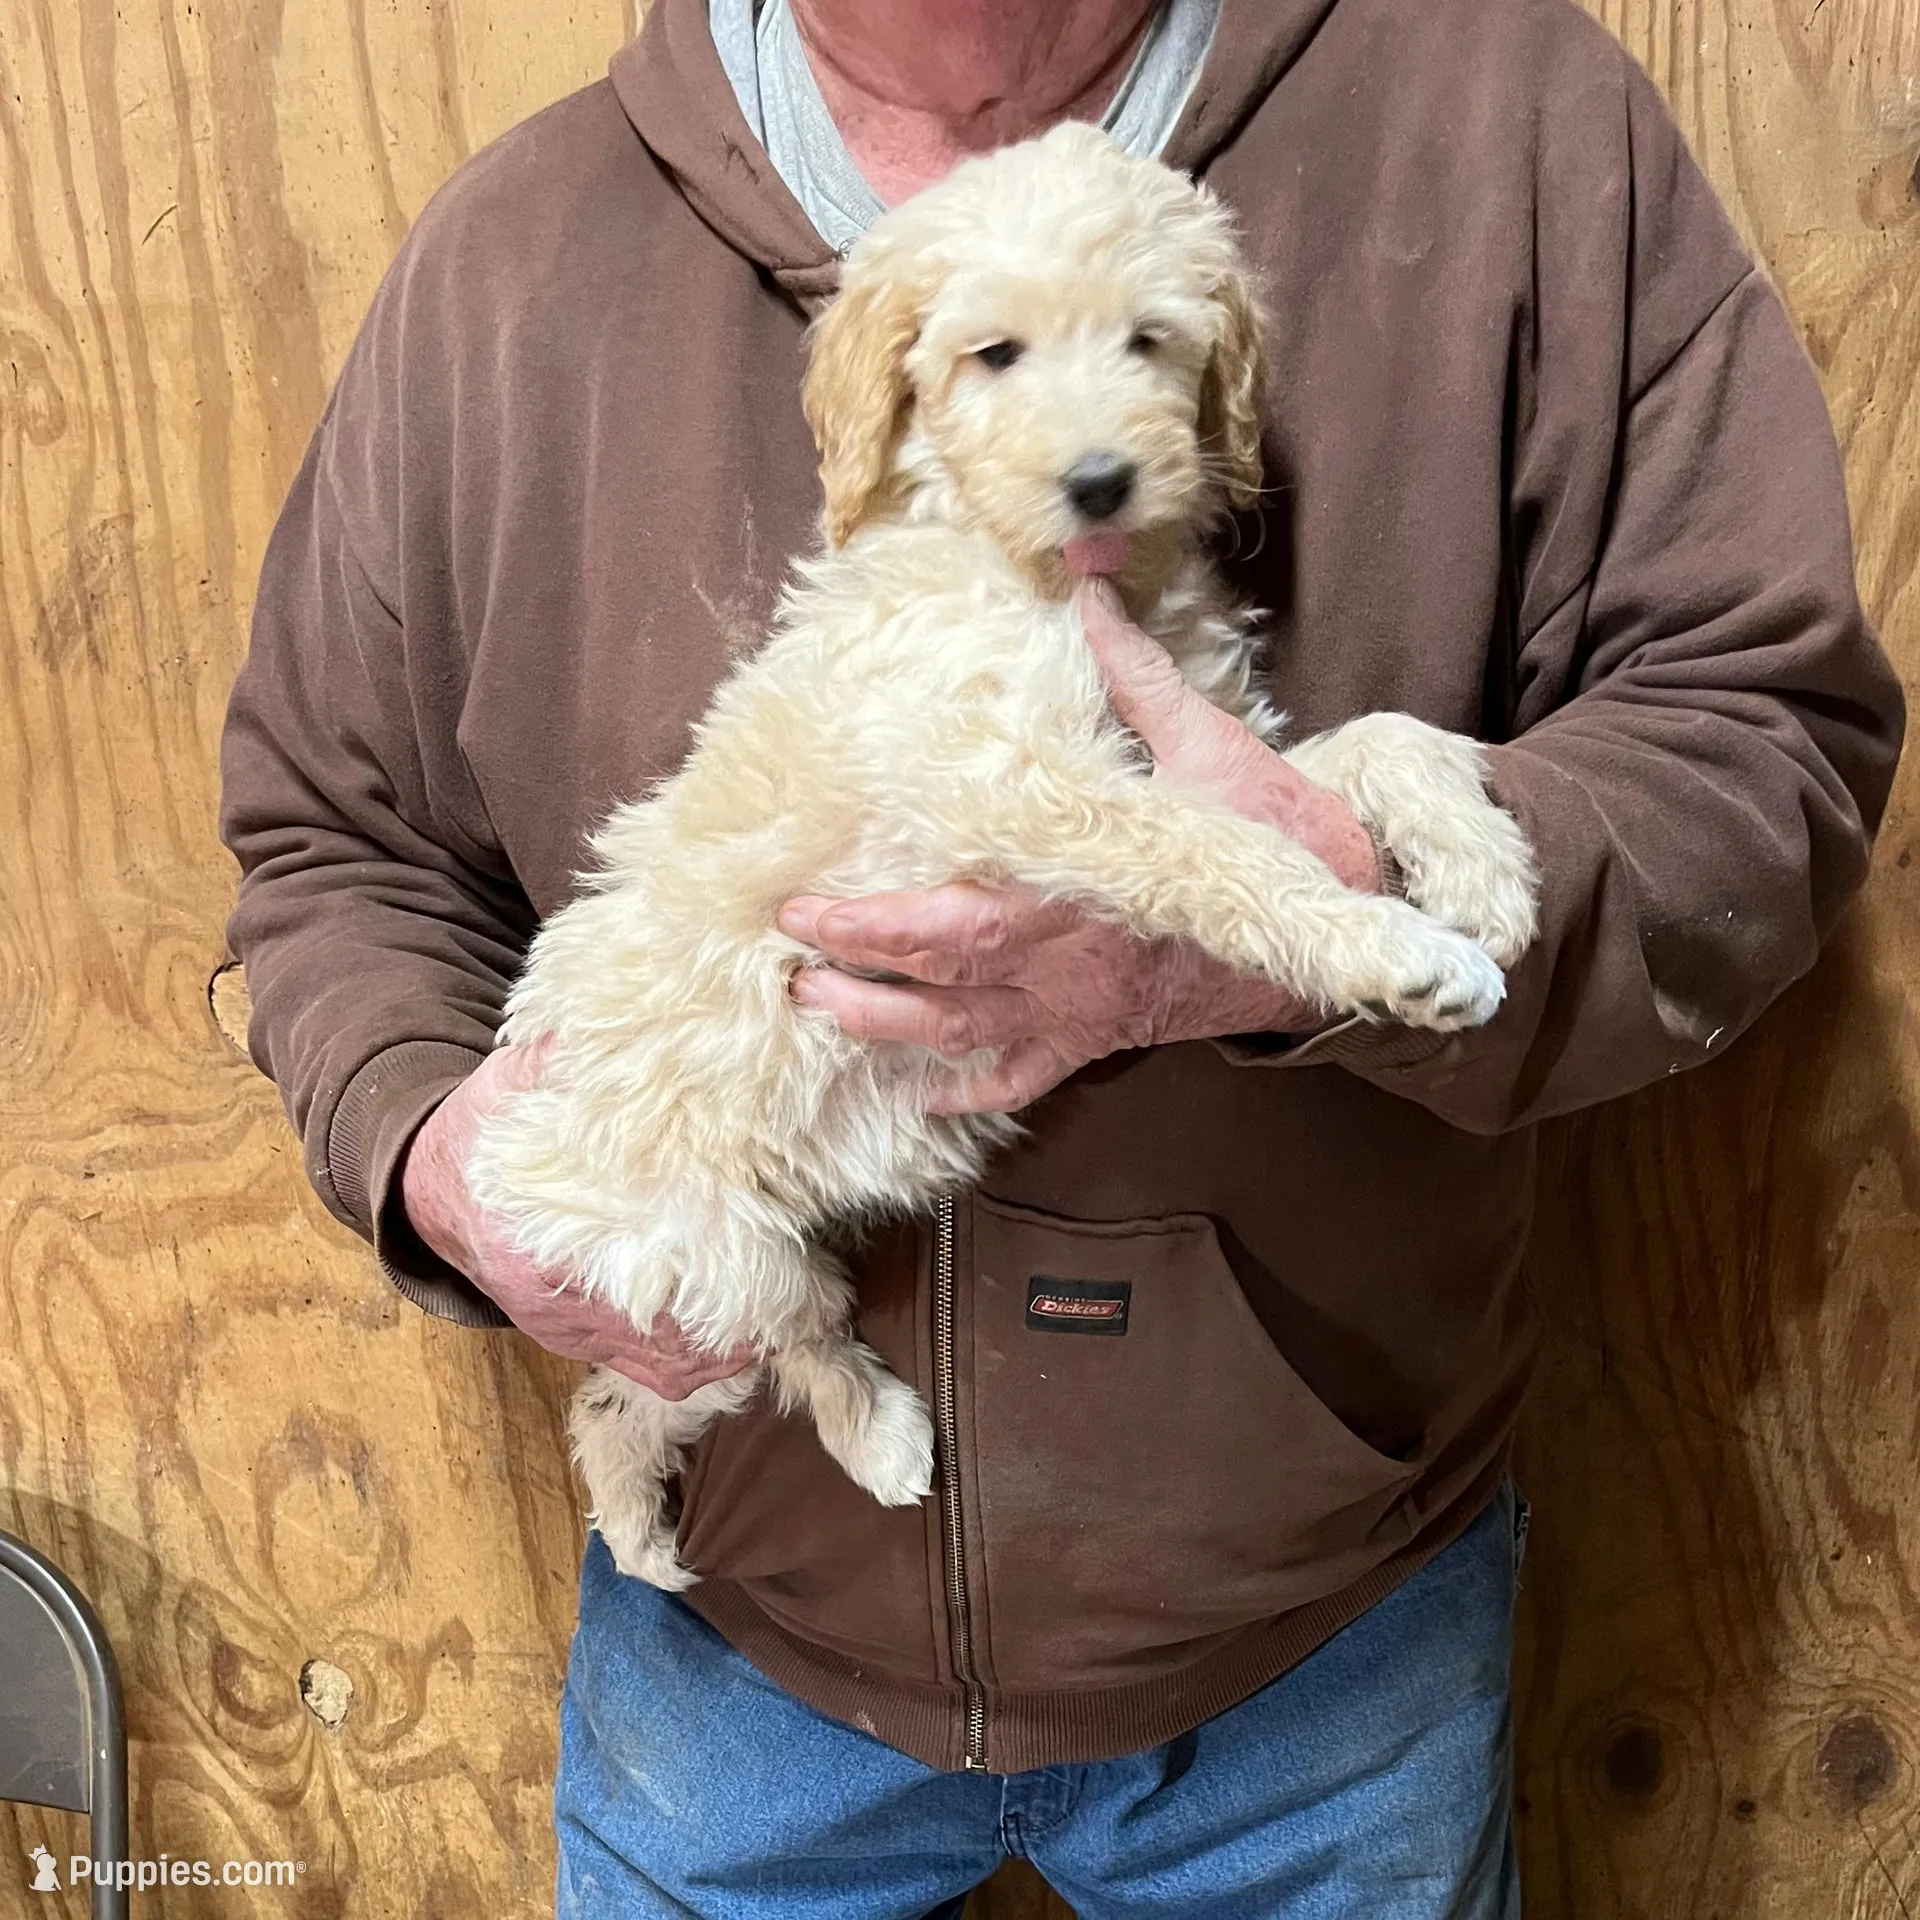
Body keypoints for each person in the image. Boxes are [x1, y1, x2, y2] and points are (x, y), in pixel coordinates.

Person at [217, 0, 1904, 1912]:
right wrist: (431, 1151)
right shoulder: (513, 256)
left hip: (1324, 1651)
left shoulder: (1508, 124)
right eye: (1000, 354)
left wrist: (1301, 925)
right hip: (728, 1637)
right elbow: (332, 838)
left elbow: (1762, 749)